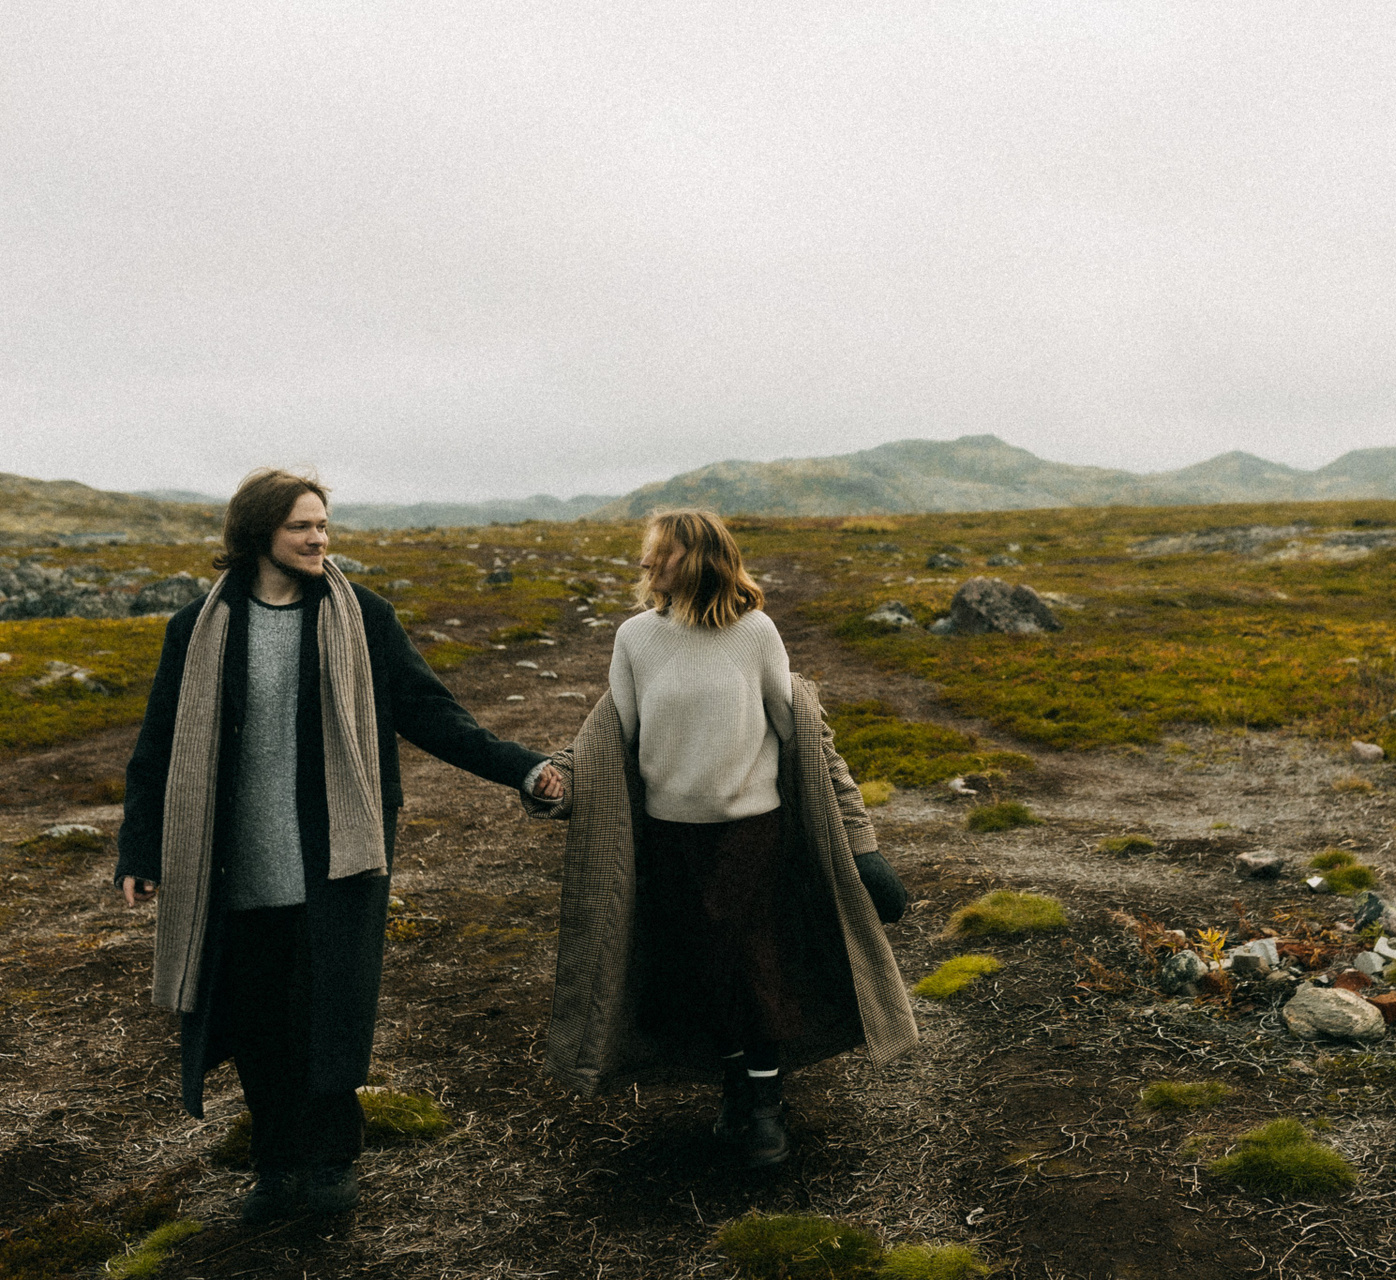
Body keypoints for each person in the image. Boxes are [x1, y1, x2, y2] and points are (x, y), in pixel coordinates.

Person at [115, 468, 562, 1224]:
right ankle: (274, 1165)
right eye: (301, 526)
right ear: (259, 533)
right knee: (256, 1021)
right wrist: (139, 849)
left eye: (323, 524)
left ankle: (329, 1161)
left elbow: (431, 713)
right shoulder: (198, 628)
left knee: (324, 1014)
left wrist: (521, 767)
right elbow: (159, 745)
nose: (319, 538)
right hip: (233, 865)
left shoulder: (364, 618)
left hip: (335, 862)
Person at [526, 509, 914, 1168]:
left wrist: (861, 843)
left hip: (751, 829)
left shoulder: (754, 633)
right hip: (669, 834)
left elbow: (805, 736)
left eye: (664, 553)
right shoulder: (635, 639)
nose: (648, 564)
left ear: (704, 559)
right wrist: (557, 777)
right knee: (698, 962)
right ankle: (737, 1086)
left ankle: (764, 1103)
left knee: (746, 954)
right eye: (649, 552)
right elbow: (610, 736)